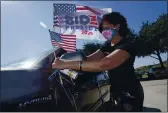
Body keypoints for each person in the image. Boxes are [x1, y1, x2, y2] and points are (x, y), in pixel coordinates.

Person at [52, 12, 144, 112]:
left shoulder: (128, 44)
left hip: (130, 94)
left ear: (117, 27)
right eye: (102, 30)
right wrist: (65, 58)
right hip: (115, 92)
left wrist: (65, 64)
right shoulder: (107, 46)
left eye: (106, 28)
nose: (104, 32)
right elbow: (87, 60)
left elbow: (104, 64)